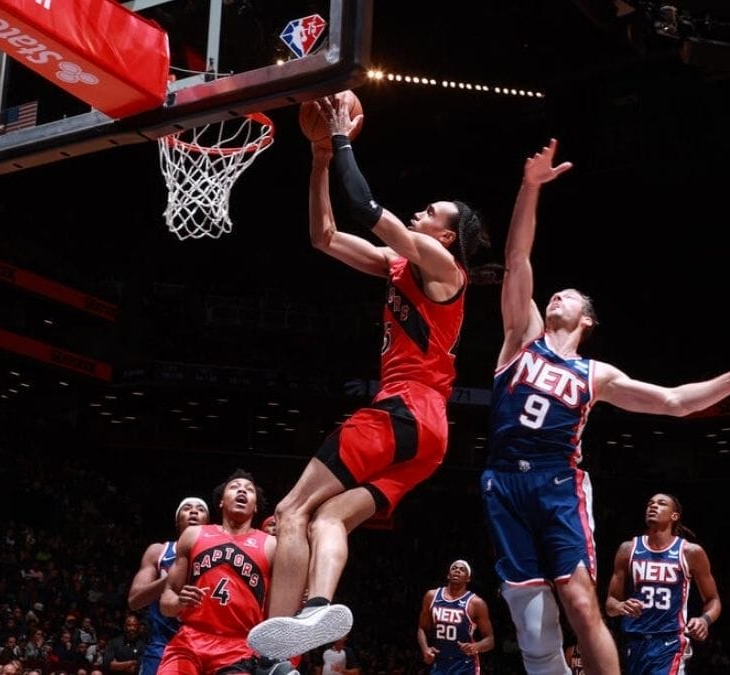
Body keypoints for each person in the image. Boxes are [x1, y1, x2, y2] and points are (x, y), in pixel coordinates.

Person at [482, 139, 730, 675]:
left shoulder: (597, 375)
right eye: (554, 295)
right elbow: (517, 258)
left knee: (580, 601)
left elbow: (674, 402)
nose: (555, 299)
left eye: (566, 297)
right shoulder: (521, 338)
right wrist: (530, 188)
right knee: (530, 616)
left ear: (587, 319)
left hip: (555, 483)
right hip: (502, 481)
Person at [247, 92, 490, 660]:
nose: (419, 215)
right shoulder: (399, 265)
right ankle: (313, 615)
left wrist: (340, 139)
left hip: (405, 407)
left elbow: (362, 206)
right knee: (330, 515)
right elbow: (324, 237)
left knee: (289, 511)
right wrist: (318, 163)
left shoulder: (445, 269)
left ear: (447, 237)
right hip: (428, 437)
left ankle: (272, 656)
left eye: (431, 213)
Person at [157, 470, 284, 675]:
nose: (242, 490)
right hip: (190, 639)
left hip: (240, 646)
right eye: (234, 487)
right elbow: (166, 603)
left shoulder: (271, 545)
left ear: (256, 506)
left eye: (249, 490)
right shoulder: (193, 535)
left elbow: (277, 606)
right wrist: (179, 602)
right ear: (221, 502)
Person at [605, 494, 721, 675]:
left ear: (674, 516)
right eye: (650, 503)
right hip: (634, 644)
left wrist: (704, 620)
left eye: (661, 503)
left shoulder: (690, 552)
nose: (653, 506)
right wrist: (620, 606)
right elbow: (610, 605)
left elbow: (713, 600)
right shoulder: (628, 549)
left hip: (669, 644)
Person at [128, 497, 211, 675]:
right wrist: (172, 578)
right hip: (162, 646)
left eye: (200, 509)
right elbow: (134, 601)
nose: (194, 511)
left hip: (204, 646)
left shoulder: (218, 554)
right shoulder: (159, 551)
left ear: (208, 523)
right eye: (187, 508)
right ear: (177, 520)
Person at [416, 560, 495, 675]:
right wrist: (425, 650)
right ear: (448, 575)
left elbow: (490, 640)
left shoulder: (476, 603)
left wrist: (475, 646)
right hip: (439, 662)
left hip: (464, 664)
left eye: (462, 570)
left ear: (468, 578)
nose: (457, 570)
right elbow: (421, 628)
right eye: (454, 568)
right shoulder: (431, 596)